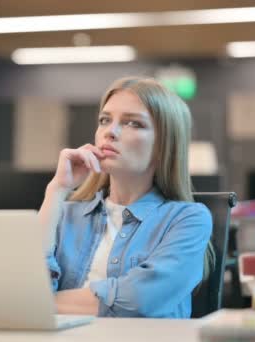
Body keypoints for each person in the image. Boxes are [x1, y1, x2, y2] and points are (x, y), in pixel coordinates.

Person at [39, 76, 212, 318]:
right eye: (105, 120)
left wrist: (39, 302)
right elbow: (24, 288)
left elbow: (138, 301)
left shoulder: (187, 219)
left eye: (134, 123)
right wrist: (56, 189)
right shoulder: (67, 213)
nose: (110, 132)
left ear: (165, 145)